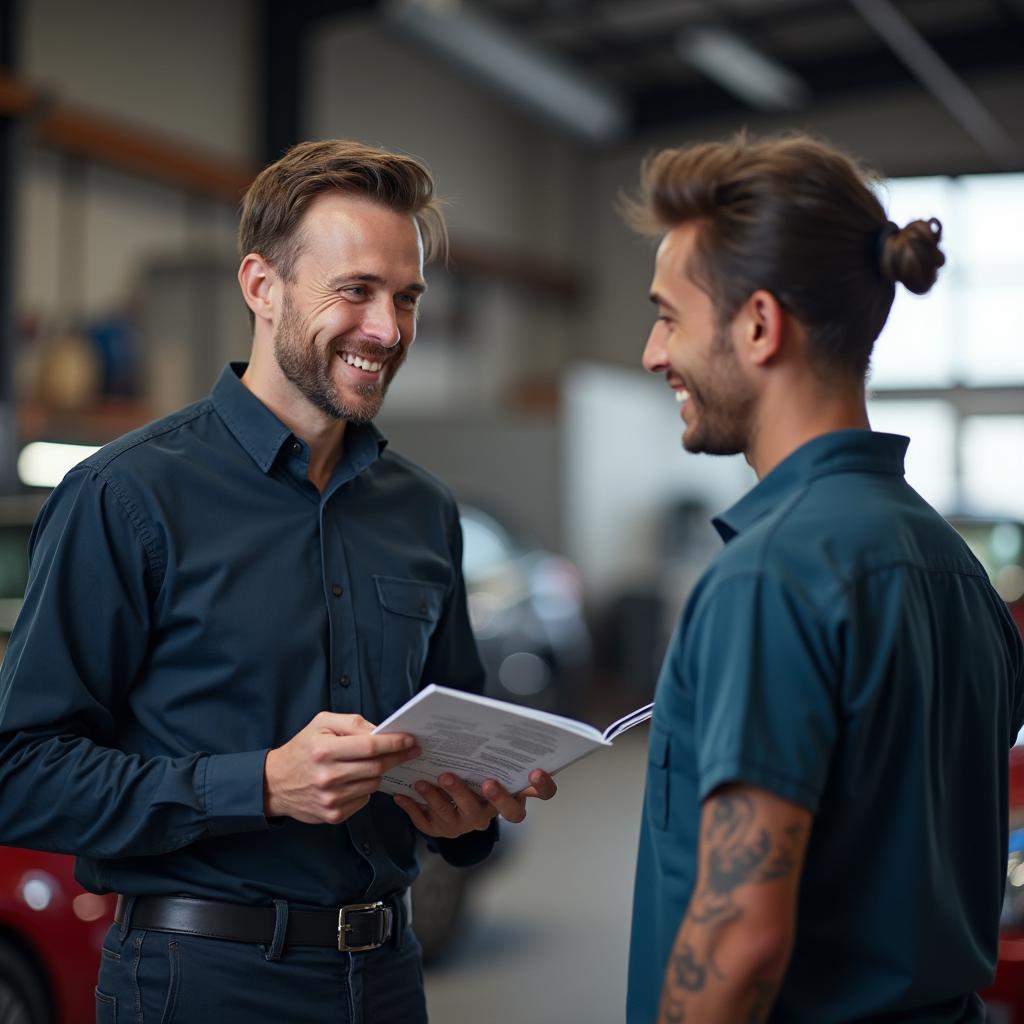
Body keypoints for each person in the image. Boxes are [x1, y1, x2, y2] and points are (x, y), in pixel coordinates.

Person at [0, 139, 555, 1023]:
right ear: (261, 287)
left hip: (386, 978)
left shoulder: (423, 512)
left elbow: (451, 740)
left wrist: (469, 816)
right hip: (198, 982)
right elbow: (19, 771)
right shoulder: (128, 495)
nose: (388, 330)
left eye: (406, 298)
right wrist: (257, 784)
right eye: (356, 292)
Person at [622, 132, 1024, 1023]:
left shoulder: (768, 577)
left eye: (668, 316)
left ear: (760, 325)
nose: (654, 353)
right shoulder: (955, 570)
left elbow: (739, 940)